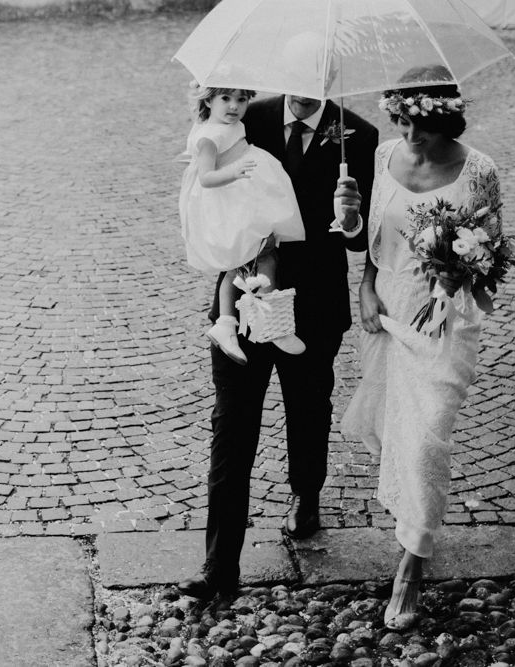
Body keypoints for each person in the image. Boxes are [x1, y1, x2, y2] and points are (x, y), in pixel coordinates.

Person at [177, 90, 378, 600]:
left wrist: (350, 216)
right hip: (245, 295)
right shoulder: (250, 116)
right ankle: (220, 563)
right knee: (232, 425)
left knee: (308, 407)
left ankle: (305, 492)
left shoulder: (358, 133)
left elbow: (360, 239)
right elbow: (210, 185)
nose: (304, 90)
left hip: (313, 304)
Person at [341, 69, 502, 629]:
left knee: (428, 436)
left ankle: (410, 568)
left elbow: (489, 257)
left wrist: (450, 285)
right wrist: (363, 287)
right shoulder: (384, 155)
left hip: (445, 323)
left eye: (421, 126)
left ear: (446, 120)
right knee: (397, 433)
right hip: (386, 313)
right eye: (401, 122)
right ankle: (413, 524)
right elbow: (373, 244)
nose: (409, 136)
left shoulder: (480, 170)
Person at [178, 83, 307, 365]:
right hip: (230, 198)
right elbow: (206, 177)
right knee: (259, 257)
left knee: (247, 260)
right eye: (225, 98)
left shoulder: (228, 124)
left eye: (241, 99)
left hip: (246, 193)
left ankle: (226, 322)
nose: (234, 106)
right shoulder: (209, 136)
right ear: (208, 100)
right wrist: (233, 172)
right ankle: (272, 324)